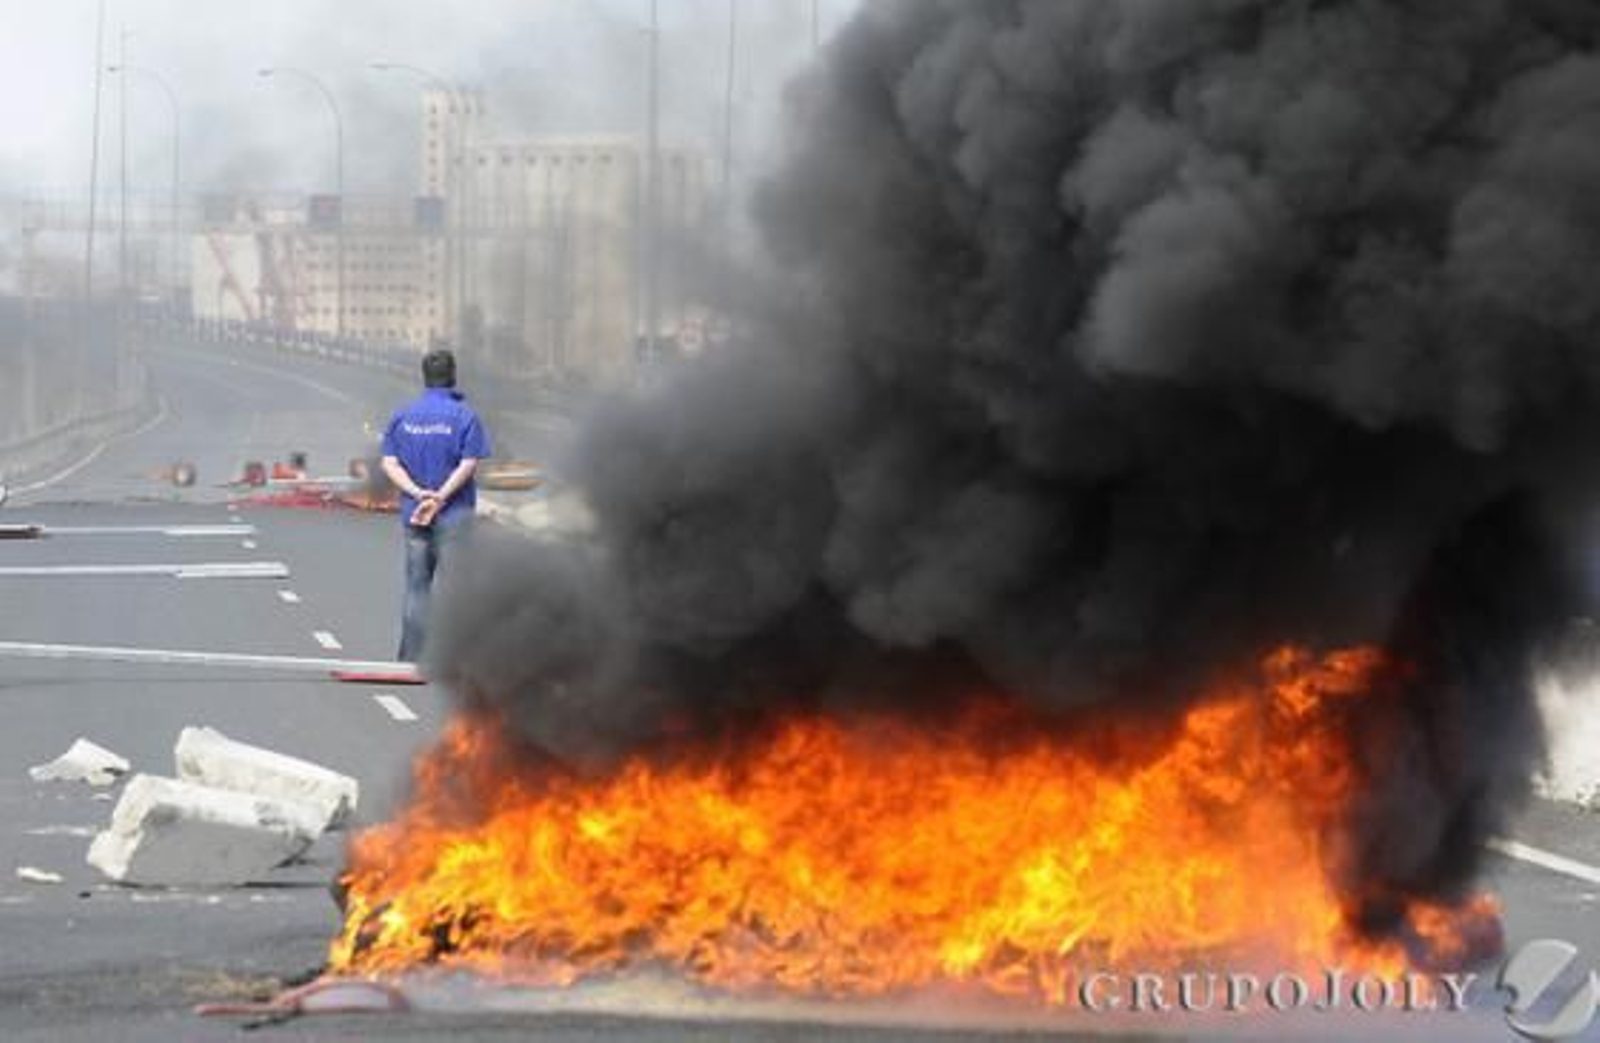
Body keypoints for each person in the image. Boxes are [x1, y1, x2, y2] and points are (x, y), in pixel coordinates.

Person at [381, 349, 491, 662]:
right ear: (453, 375)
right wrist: (440, 497)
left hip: (415, 517)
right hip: (454, 516)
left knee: (417, 588)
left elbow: (389, 463)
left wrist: (419, 494)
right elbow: (468, 464)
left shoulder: (404, 416)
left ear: (424, 376)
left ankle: (411, 658)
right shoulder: (465, 416)